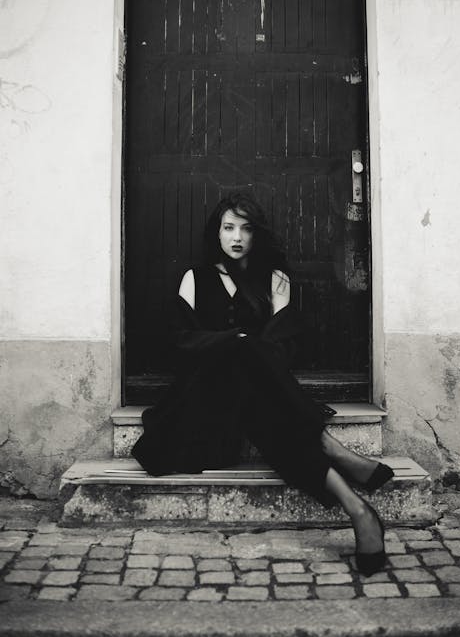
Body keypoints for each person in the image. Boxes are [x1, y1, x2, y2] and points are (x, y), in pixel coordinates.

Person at [132, 192, 393, 576]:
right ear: (216, 233)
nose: (236, 236)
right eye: (228, 227)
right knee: (244, 353)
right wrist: (233, 341)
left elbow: (281, 350)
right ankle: (333, 456)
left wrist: (242, 345)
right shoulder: (194, 278)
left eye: (246, 228)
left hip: (256, 403)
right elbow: (180, 344)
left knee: (268, 412)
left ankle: (357, 509)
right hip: (203, 402)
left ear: (257, 235)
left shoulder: (275, 280)